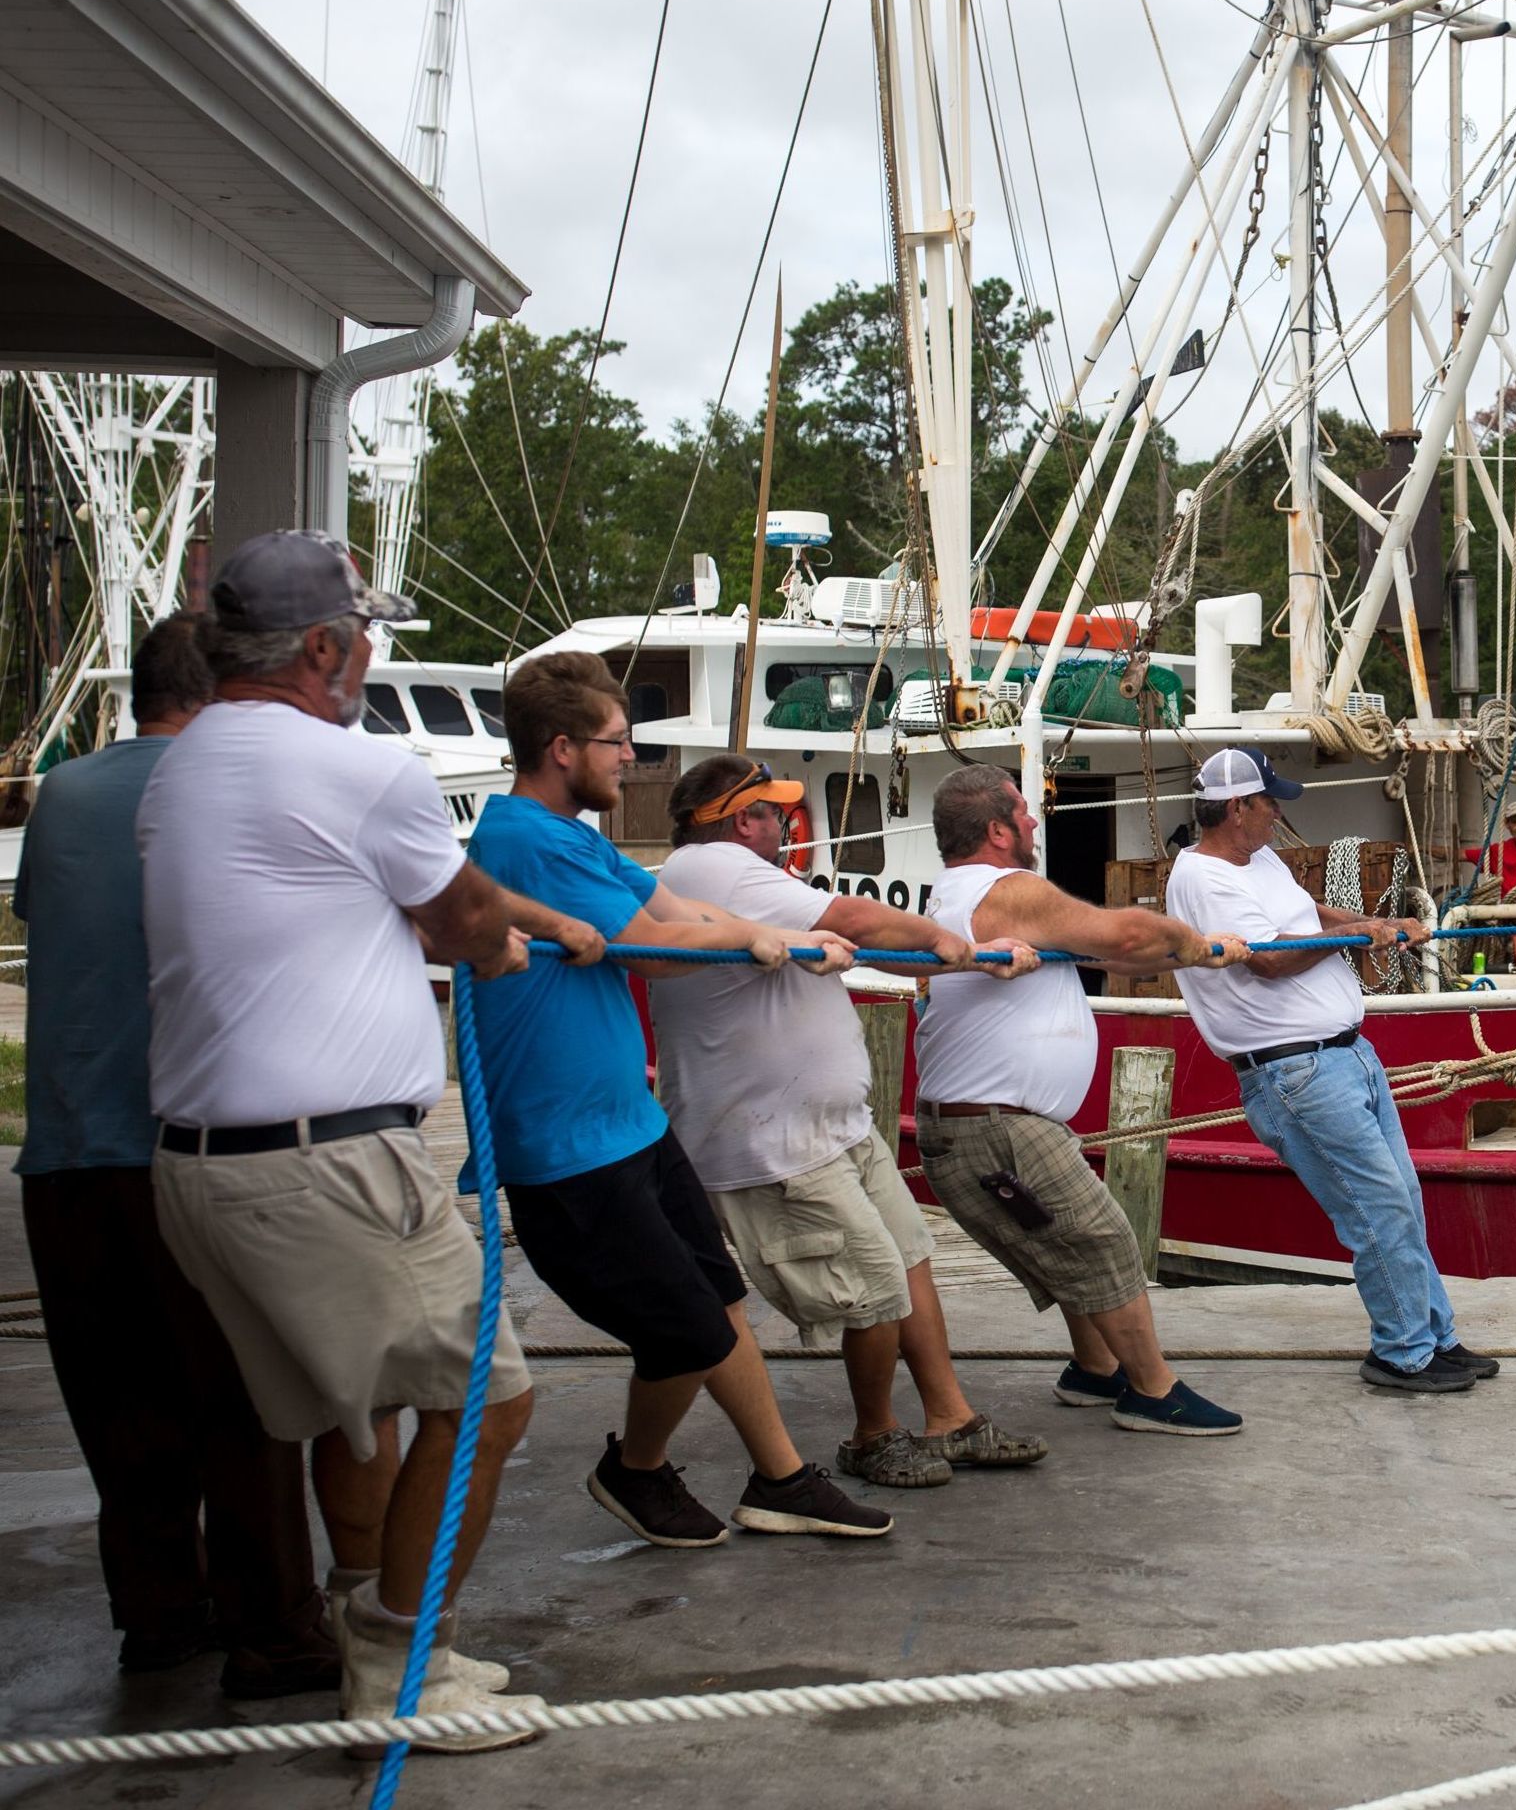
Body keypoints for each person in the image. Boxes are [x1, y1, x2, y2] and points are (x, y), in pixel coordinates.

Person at [139, 532, 598, 1752]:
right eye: (366, 635)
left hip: (204, 1167)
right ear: (327, 649)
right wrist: (507, 937)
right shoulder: (361, 769)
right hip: (329, 1168)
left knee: (361, 1416)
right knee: (488, 1400)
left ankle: (398, 1640)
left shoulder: (179, 766)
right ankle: (400, 1668)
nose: (372, 654)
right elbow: (459, 919)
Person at [468, 652, 893, 1547]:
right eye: (617, 742)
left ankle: (776, 1479)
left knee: (717, 1299)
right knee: (689, 1331)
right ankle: (635, 1470)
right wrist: (759, 941)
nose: (630, 758)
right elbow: (655, 949)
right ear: (560, 749)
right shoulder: (522, 843)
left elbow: (670, 909)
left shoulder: (578, 838)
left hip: (630, 1123)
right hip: (566, 1148)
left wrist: (775, 936)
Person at [15, 614, 338, 1700]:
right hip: (182, 1144)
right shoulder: (214, 793)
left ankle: (157, 1617)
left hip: (61, 1151)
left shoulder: (64, 793)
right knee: (243, 1408)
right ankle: (276, 1634)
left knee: (121, 1406)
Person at [651, 754, 1049, 1489]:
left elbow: (858, 946)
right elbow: (855, 918)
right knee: (872, 1284)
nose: (786, 824)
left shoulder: (748, 884)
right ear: (745, 819)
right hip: (772, 1143)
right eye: (775, 812)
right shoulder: (714, 868)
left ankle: (948, 1419)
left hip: (832, 1125)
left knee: (907, 1257)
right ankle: (873, 1436)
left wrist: (967, 959)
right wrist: (949, 939)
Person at [914, 762, 1247, 1435]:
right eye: (1024, 812)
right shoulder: (1009, 890)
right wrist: (1199, 944)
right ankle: (1153, 1391)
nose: (1035, 821)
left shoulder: (954, 895)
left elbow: (1119, 958)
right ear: (998, 831)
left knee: (1063, 1240)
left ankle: (1095, 1369)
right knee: (1101, 1242)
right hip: (997, 1128)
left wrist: (1171, 955)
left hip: (988, 1123)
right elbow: (1125, 937)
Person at [1166, 748, 1496, 1396]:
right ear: (1238, 809)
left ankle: (1435, 1338)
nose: (1278, 812)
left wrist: (1378, 925)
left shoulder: (1255, 858)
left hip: (1343, 1056)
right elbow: (1265, 961)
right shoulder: (1203, 881)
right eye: (1269, 802)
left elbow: (1306, 917)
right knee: (1376, 1210)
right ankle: (1402, 1353)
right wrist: (1357, 939)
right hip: (1295, 1074)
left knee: (1400, 1200)